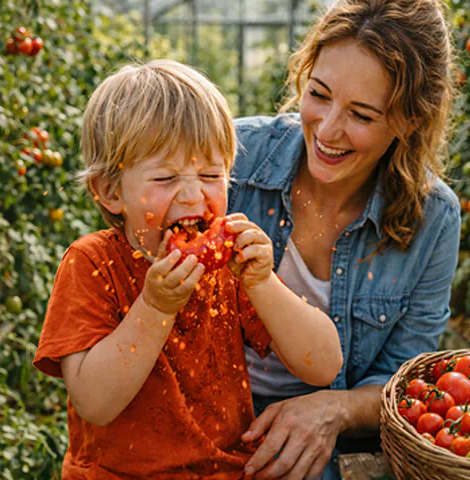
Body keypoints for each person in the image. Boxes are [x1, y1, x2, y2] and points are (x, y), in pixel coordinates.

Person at [33, 59, 343, 479]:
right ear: (110, 191)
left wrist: (263, 282)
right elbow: (94, 403)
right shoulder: (92, 264)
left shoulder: (229, 268)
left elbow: (324, 364)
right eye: (165, 178)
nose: (194, 194)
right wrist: (156, 306)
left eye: (211, 174)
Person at [228, 0, 461, 478]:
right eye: (319, 93)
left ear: (409, 121)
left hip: (328, 456)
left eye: (362, 114)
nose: (328, 130)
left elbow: (403, 378)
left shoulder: (432, 218)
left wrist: (334, 409)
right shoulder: (232, 161)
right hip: (204, 426)